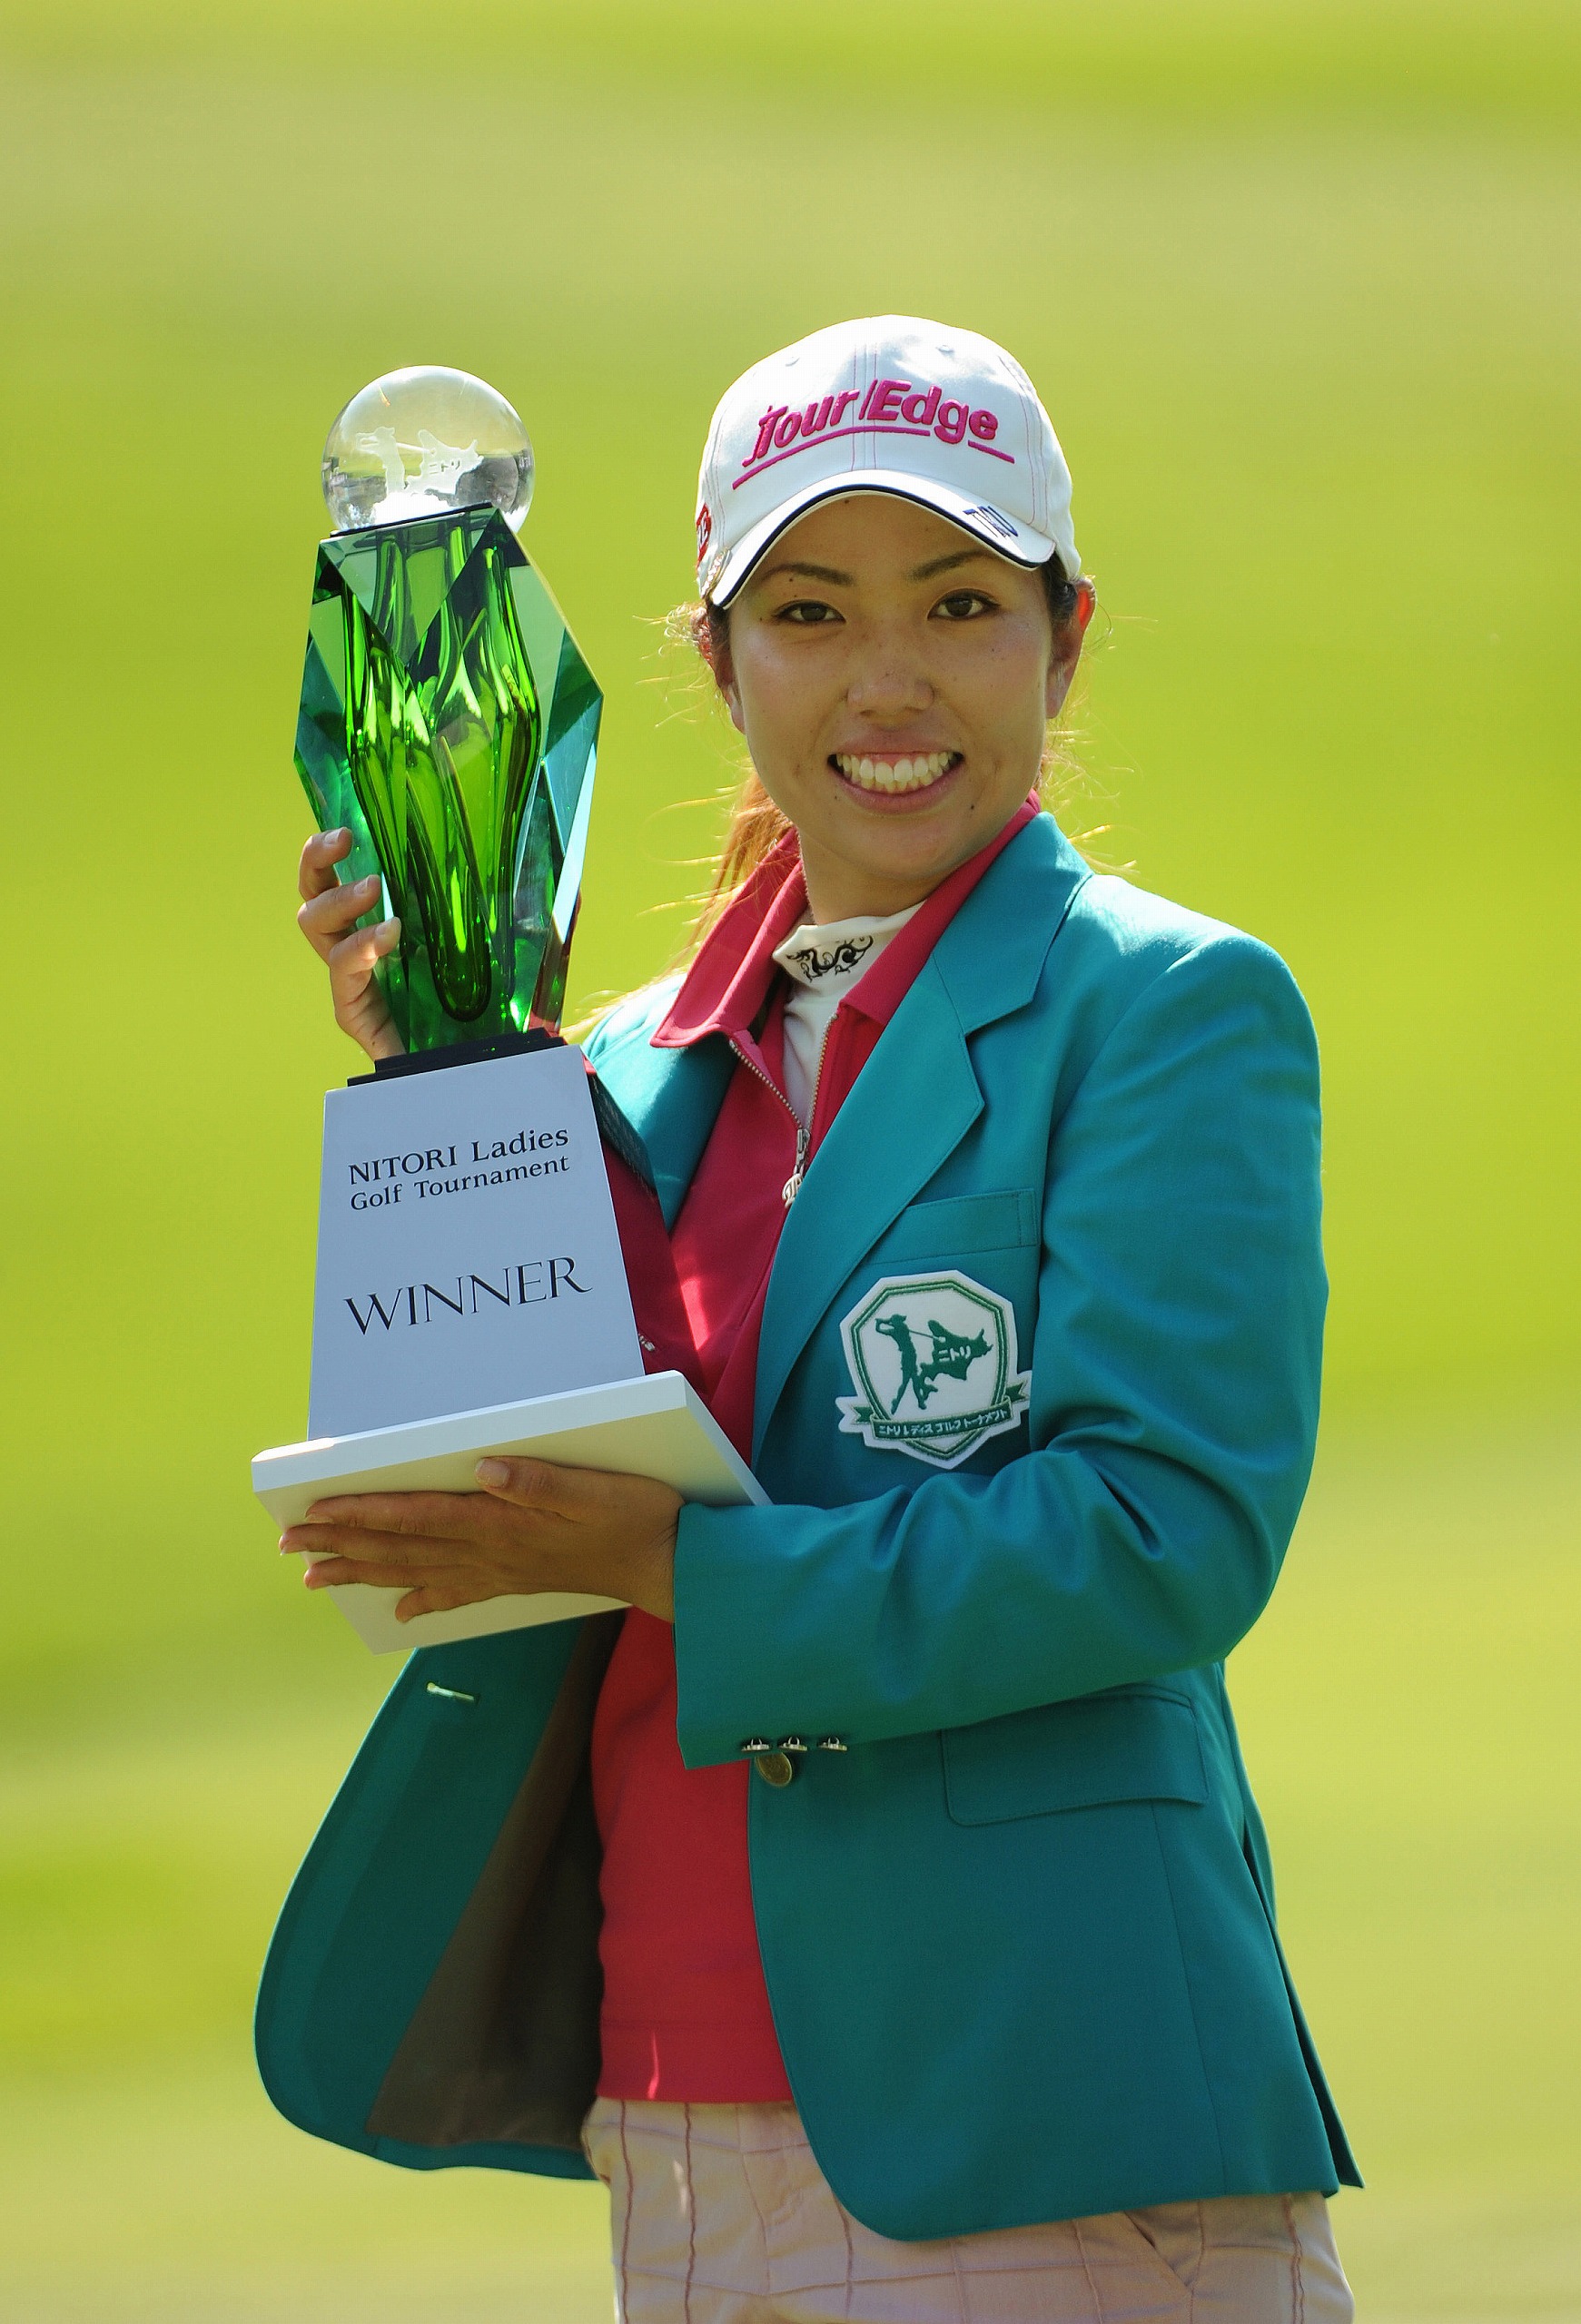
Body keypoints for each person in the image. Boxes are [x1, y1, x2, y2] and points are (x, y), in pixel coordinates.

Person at [264, 317, 1359, 2322]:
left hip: (1042, 2101)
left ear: (1065, 634)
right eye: (806, 609)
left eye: (957, 602)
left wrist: (670, 1560)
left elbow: (1158, 1534)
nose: (887, 680)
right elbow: (517, 1485)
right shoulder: (613, 1064)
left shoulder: (1166, 1009)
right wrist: (451, 1056)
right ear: (714, 655)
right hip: (668, 2109)